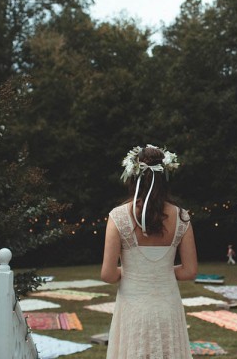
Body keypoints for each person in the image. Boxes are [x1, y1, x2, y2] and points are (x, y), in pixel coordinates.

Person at [101, 144, 198, 359]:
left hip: (132, 309)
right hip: (167, 308)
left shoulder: (118, 217)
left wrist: (136, 273)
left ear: (132, 176)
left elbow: (107, 274)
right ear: (164, 177)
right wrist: (160, 273)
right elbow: (189, 271)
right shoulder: (182, 217)